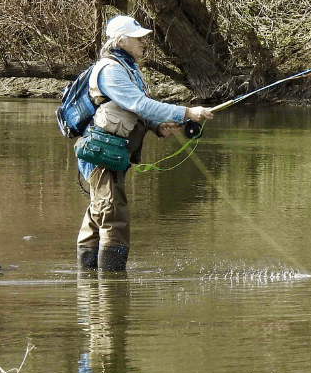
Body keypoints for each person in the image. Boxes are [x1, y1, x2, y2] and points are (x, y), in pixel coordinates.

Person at [76, 15, 213, 271]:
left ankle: (89, 284)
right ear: (120, 40)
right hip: (102, 153)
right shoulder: (111, 70)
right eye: (138, 37)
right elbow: (140, 104)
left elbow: (136, 111)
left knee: (100, 212)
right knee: (113, 215)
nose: (143, 42)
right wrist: (187, 112)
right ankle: (111, 287)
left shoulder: (129, 68)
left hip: (113, 152)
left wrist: (157, 126)